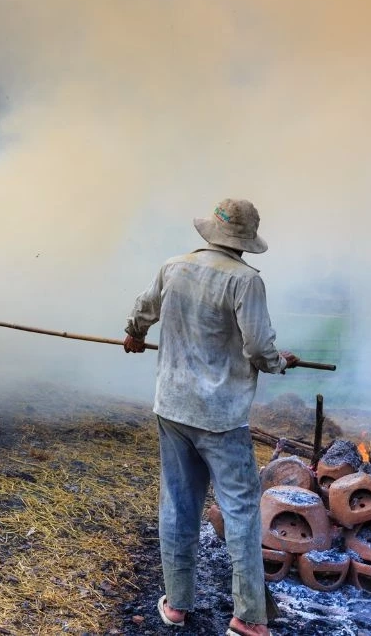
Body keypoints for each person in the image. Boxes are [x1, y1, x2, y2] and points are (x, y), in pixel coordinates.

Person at [123, 198, 297, 636]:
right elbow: (258, 349)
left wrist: (133, 333)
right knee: (240, 512)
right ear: (245, 242)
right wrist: (279, 361)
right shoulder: (246, 281)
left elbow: (144, 309)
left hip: (173, 408)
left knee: (178, 505)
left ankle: (177, 604)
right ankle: (249, 617)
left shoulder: (174, 267)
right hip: (221, 417)